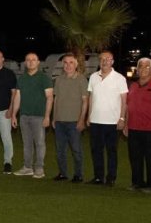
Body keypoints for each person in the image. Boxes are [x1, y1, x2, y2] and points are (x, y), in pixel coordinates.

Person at [86, 51, 128, 186]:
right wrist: (89, 115)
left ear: (112, 61)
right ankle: (98, 177)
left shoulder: (119, 78)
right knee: (96, 150)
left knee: (111, 151)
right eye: (102, 59)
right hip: (95, 121)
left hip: (112, 122)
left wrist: (122, 118)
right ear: (99, 61)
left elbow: (124, 100)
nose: (104, 61)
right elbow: (91, 97)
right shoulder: (93, 77)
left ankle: (111, 178)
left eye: (107, 59)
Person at [123, 57, 151, 193]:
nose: (143, 69)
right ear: (137, 69)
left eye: (147, 66)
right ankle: (137, 182)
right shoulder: (133, 86)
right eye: (141, 66)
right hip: (134, 127)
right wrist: (126, 124)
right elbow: (128, 106)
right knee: (135, 157)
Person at [12, 53, 54, 178]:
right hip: (24, 116)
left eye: (33, 60)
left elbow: (49, 97)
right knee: (27, 143)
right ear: (25, 63)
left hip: (39, 116)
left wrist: (47, 116)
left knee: (39, 143)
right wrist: (14, 115)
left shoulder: (44, 78)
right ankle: (27, 167)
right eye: (28, 60)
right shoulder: (22, 78)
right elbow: (17, 97)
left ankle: (39, 168)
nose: (30, 62)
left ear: (38, 62)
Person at [51, 54, 88, 183]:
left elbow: (85, 101)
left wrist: (81, 120)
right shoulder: (59, 79)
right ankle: (63, 173)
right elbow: (56, 99)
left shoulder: (81, 79)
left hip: (74, 122)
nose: (68, 65)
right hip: (60, 121)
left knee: (76, 150)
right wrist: (54, 117)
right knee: (60, 150)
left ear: (76, 64)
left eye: (71, 62)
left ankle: (78, 175)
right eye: (65, 62)